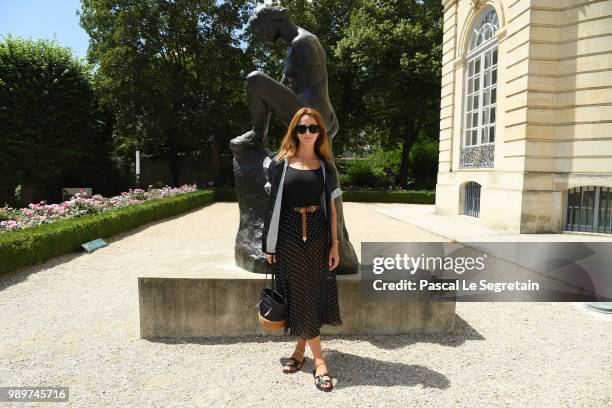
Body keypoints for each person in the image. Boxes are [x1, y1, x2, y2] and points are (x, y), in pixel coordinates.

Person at [261, 107, 343, 392]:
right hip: (289, 236)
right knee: (302, 292)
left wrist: (335, 244)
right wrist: (269, 243)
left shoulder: (325, 166)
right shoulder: (280, 163)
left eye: (313, 128)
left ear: (320, 132)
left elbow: (331, 209)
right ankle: (320, 361)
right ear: (294, 131)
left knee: (309, 291)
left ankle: (299, 352)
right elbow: (272, 208)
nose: (307, 133)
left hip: (319, 236)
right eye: (302, 128)